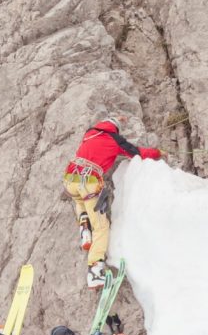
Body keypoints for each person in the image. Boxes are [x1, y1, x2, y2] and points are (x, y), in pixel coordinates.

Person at [64, 115, 161, 287]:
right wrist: (157, 153)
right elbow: (137, 153)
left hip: (70, 179)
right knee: (101, 227)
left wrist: (116, 119)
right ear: (115, 130)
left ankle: (84, 226)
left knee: (79, 202)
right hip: (89, 183)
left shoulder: (90, 134)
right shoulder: (115, 140)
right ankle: (95, 271)